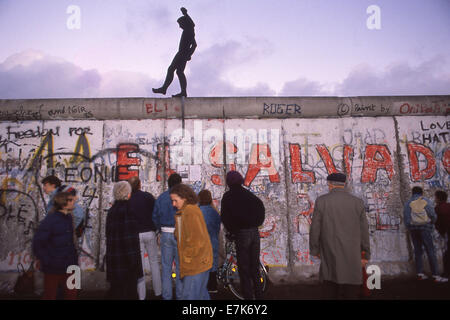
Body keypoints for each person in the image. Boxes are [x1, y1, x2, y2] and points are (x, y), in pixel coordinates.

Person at [309, 173, 371, 300]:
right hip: (353, 254)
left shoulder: (321, 201)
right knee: (351, 290)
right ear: (344, 184)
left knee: (330, 287)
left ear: (329, 184)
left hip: (329, 251)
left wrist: (315, 249)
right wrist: (365, 253)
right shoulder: (357, 203)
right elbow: (364, 231)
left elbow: (315, 228)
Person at [220, 171, 265, 300]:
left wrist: (232, 231)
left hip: (241, 234)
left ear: (229, 182)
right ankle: (259, 296)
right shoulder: (249, 195)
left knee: (244, 270)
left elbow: (225, 218)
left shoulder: (228, 197)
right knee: (254, 268)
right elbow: (261, 208)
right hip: (254, 233)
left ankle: (248, 299)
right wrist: (257, 223)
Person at [32, 192, 79, 300]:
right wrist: (46, 260)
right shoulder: (50, 220)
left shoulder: (69, 218)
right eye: (71, 200)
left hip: (71, 265)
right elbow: (38, 242)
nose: (74, 202)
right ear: (64, 203)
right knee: (50, 295)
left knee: (72, 295)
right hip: (54, 266)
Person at [170, 184, 212, 300]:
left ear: (184, 198)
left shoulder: (190, 211)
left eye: (175, 200)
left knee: (189, 296)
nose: (173, 204)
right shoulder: (187, 211)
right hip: (199, 262)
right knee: (201, 295)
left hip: (195, 264)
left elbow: (196, 240)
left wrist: (186, 258)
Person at [105, 181, 143, 300]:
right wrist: (134, 264)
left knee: (116, 292)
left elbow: (108, 236)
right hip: (127, 263)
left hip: (114, 260)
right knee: (130, 293)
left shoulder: (111, 211)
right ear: (128, 194)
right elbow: (130, 240)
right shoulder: (129, 211)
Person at [403, 186, 448, 283]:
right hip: (425, 228)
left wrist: (410, 227)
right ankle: (435, 275)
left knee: (418, 251)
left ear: (412, 193)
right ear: (421, 192)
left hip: (413, 229)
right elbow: (432, 215)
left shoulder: (408, 203)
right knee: (430, 250)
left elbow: (406, 218)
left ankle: (420, 274)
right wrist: (431, 224)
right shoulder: (425, 201)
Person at [128, 176, 162, 300]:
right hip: (150, 232)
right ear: (140, 184)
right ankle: (158, 292)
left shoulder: (128, 198)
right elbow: (155, 213)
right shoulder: (148, 197)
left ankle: (141, 296)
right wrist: (156, 229)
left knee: (140, 265)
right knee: (154, 262)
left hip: (136, 234)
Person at [152, 7, 196, 97]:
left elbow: (194, 44)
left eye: (180, 24)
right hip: (183, 53)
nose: (179, 26)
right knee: (179, 72)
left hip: (182, 53)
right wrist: (189, 54)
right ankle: (183, 92)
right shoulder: (187, 30)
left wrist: (186, 14)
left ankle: (164, 88)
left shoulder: (189, 30)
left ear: (184, 23)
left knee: (171, 69)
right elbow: (194, 43)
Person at [152, 173, 183, 300]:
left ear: (168, 183)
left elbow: (155, 216)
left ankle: (167, 296)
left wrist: (159, 230)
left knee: (166, 267)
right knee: (181, 268)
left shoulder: (161, 198)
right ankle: (181, 296)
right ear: (180, 183)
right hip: (180, 233)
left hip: (165, 233)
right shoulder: (183, 198)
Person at [198, 189, 221, 293]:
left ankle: (202, 286)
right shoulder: (215, 212)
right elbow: (217, 229)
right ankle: (213, 286)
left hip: (201, 242)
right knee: (213, 263)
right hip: (213, 241)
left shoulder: (197, 211)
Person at [435, 190, 450, 277]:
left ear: (438, 198)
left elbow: (438, 223)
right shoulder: (448, 206)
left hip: (447, 232)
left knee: (446, 254)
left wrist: (441, 233)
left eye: (436, 197)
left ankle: (446, 274)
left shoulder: (438, 208)